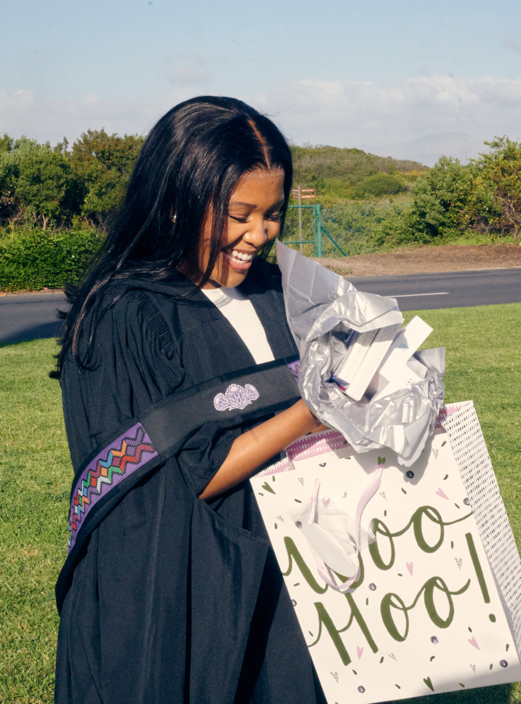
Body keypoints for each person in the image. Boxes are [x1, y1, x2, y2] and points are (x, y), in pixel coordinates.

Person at [53, 96, 327, 704]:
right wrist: (312, 411)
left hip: (285, 580)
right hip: (182, 592)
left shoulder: (276, 293)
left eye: (273, 214)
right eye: (238, 215)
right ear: (177, 200)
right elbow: (177, 485)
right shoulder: (126, 316)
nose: (259, 235)